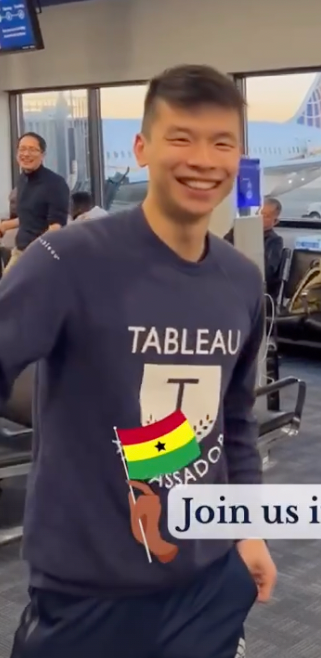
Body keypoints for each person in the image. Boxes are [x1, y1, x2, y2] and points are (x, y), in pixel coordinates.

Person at [6, 64, 276, 658]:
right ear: (142, 147)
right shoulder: (66, 259)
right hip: (87, 593)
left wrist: (247, 528)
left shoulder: (241, 282)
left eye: (222, 142)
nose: (203, 159)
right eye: (181, 137)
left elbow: (233, 423)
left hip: (207, 583)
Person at [2, 132, 69, 273]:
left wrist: (34, 251)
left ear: (43, 155)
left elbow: (56, 226)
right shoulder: (22, 180)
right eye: (22, 149)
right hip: (20, 249)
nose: (26, 154)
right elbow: (31, 216)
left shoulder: (55, 183)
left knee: (6, 291)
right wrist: (4, 226)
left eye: (32, 150)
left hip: (41, 256)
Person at [225, 197, 284, 298]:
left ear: (275, 221)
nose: (261, 218)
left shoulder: (274, 241)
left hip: (255, 287)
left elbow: (268, 271)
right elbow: (222, 250)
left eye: (266, 216)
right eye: (259, 213)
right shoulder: (239, 231)